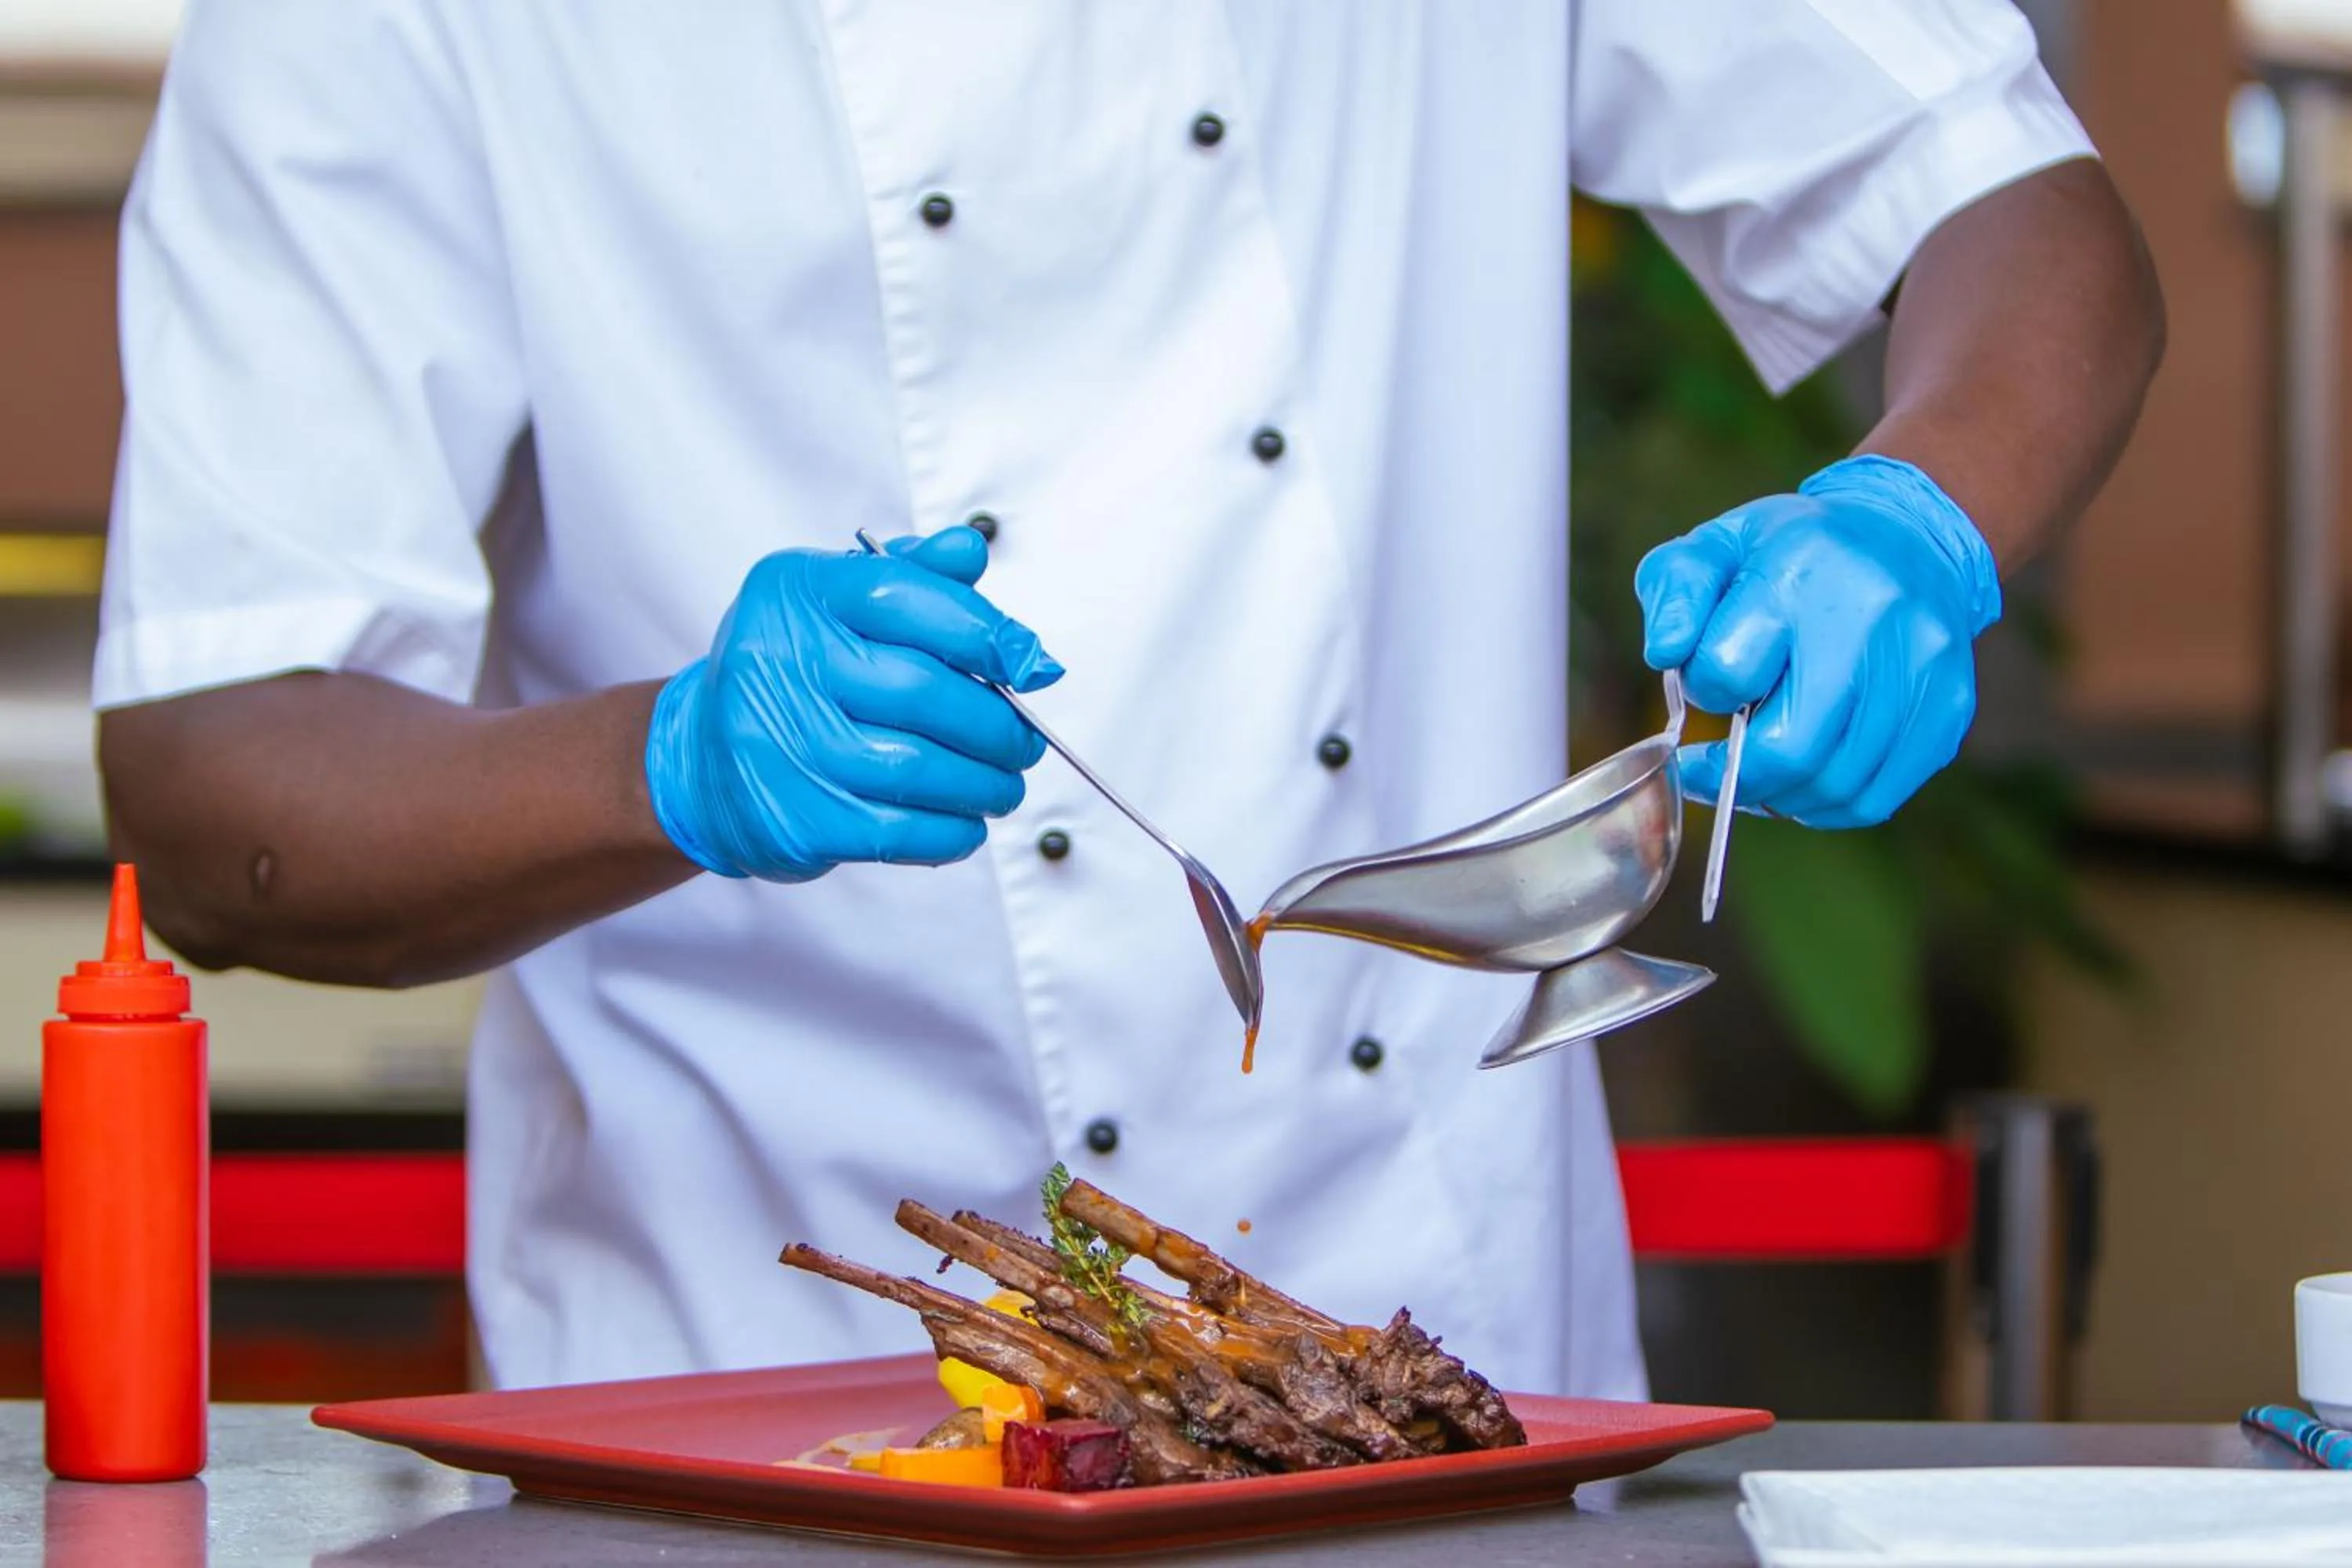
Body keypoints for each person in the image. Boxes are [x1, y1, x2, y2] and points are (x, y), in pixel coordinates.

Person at [95, 2, 2161, 1398]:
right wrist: (669, 761)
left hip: (1432, 1367)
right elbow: (212, 785)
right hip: (748, 1387)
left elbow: (2005, 196)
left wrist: (1918, 517)